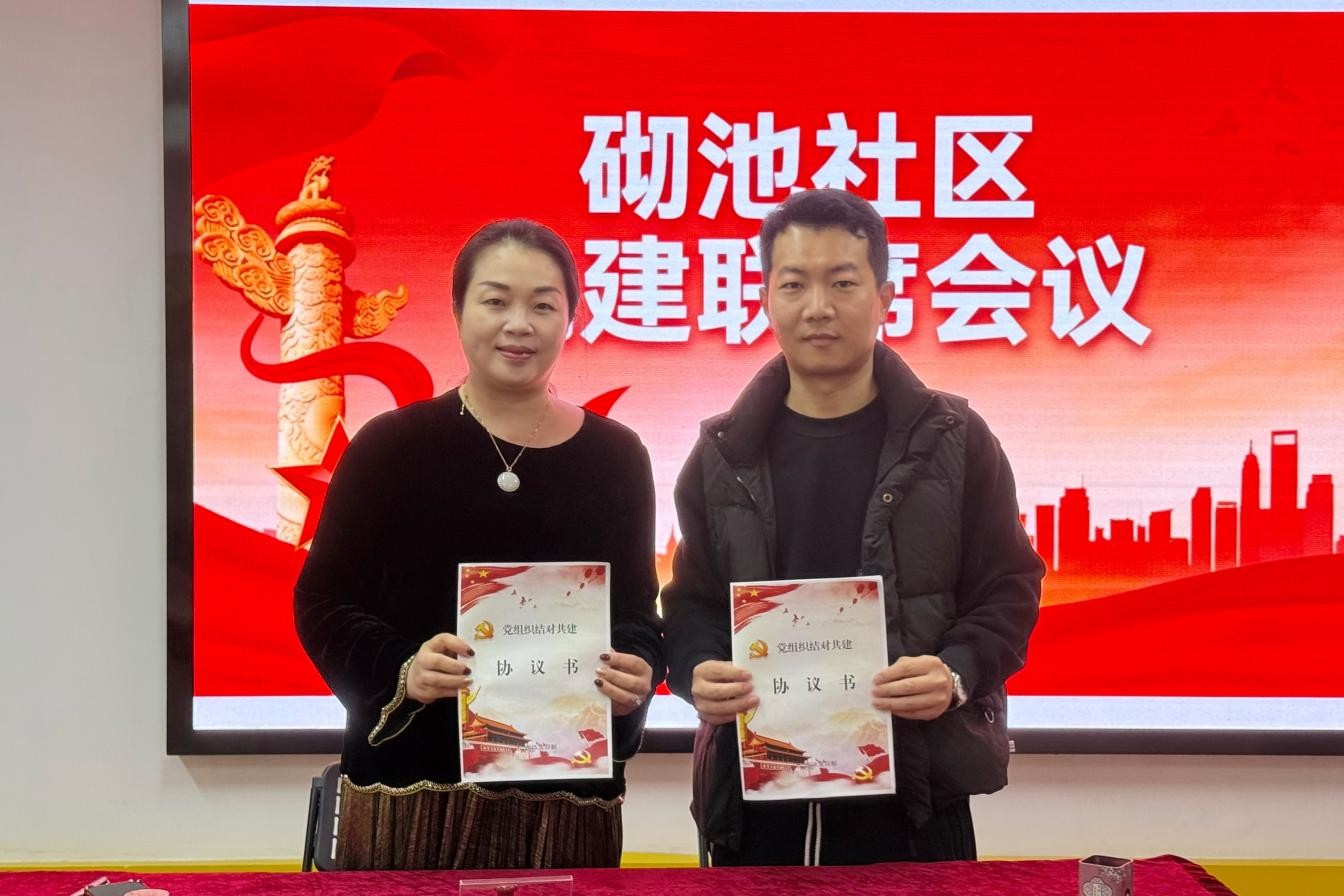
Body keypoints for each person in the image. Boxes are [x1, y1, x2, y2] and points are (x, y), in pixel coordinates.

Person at [661, 188, 1044, 866]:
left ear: (885, 297)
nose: (818, 307)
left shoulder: (954, 439)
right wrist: (697, 670)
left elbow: (1010, 586)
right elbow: (692, 601)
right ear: (766, 299)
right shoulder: (722, 454)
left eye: (842, 282)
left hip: (916, 794)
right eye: (794, 284)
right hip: (754, 803)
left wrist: (956, 672)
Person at [294, 219, 663, 870]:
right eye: (495, 301)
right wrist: (403, 669)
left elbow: (637, 611)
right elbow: (322, 601)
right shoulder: (390, 447)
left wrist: (638, 668)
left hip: (564, 796)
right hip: (413, 793)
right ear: (459, 310)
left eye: (543, 305)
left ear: (572, 319)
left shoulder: (616, 457)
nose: (519, 324)